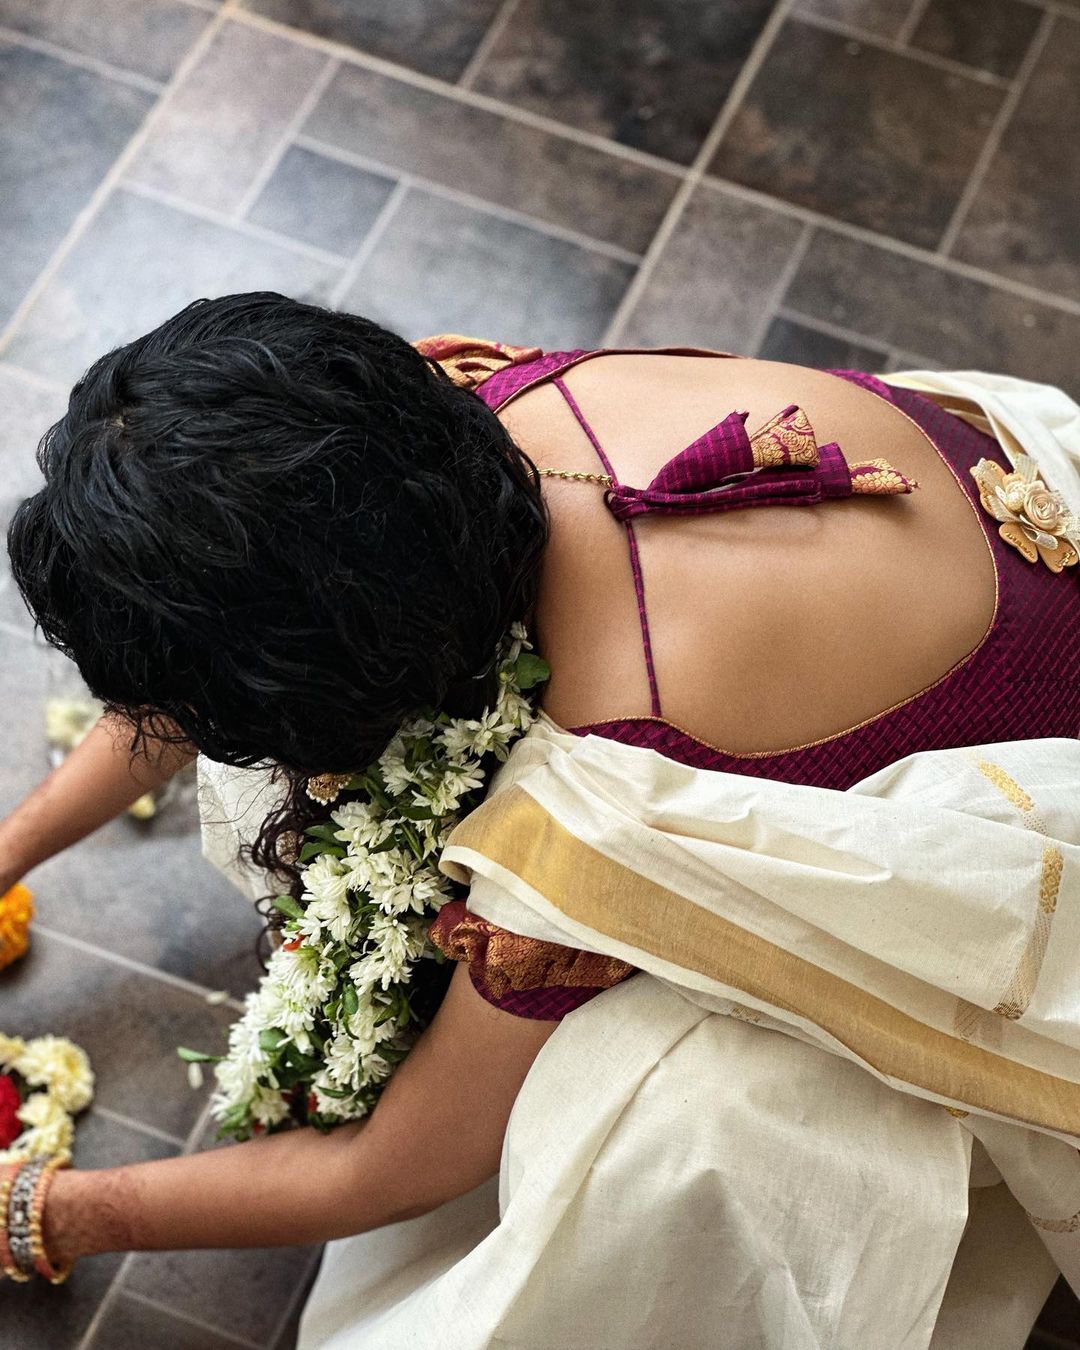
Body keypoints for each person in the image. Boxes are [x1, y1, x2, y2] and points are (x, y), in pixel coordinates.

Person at [2, 293, 1079, 1347]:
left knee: (666, 1135)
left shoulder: (601, 803)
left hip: (1018, 809)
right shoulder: (437, 427)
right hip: (991, 524)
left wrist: (52, 1213)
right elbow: (220, 640)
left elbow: (403, 1164)